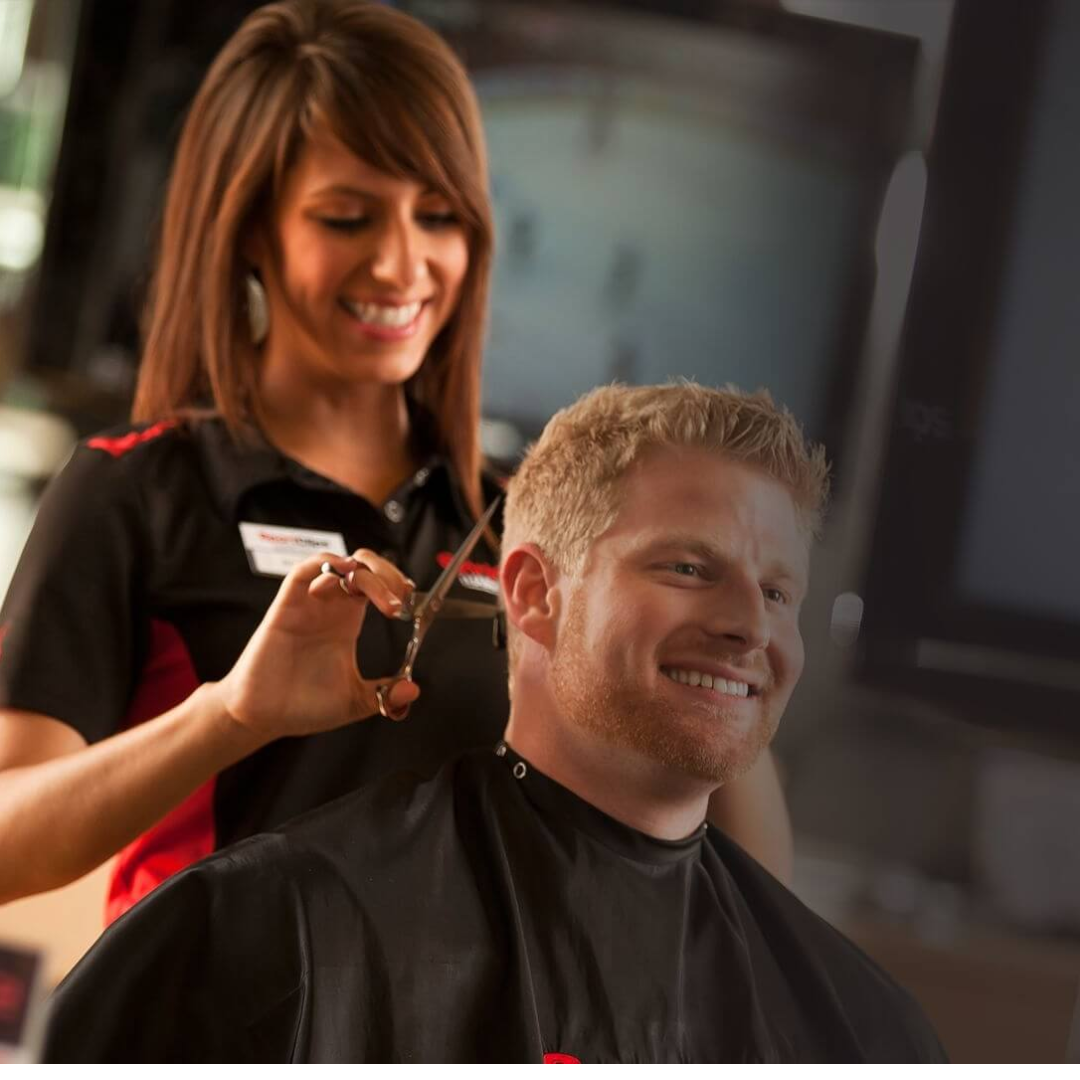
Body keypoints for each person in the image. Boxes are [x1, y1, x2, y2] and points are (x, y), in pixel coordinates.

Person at [0, 0, 791, 922]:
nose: (399, 264)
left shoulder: (532, 526)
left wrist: (715, 620)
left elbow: (752, 895)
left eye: (438, 217)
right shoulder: (136, 490)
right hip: (201, 1010)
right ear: (251, 228)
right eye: (346, 218)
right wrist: (229, 716)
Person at [42, 383, 945, 1063]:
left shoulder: (867, 1030)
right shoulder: (274, 938)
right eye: (687, 568)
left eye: (779, 593)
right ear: (535, 594)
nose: (751, 625)